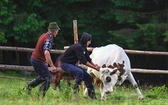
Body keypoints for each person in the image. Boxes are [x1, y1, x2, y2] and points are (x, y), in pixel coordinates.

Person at [24, 22, 60, 97]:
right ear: (53, 31)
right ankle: (40, 95)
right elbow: (46, 52)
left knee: (43, 76)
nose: (57, 33)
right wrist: (52, 66)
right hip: (37, 60)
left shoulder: (44, 35)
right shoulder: (48, 39)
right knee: (49, 78)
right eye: (57, 31)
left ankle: (28, 88)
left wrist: (45, 61)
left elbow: (41, 49)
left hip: (35, 59)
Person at [60, 32, 100, 99]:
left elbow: (88, 59)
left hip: (71, 64)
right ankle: (75, 90)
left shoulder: (84, 47)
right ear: (85, 40)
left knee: (88, 78)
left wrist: (94, 65)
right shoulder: (78, 47)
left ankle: (92, 96)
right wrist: (95, 68)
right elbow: (83, 61)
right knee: (79, 72)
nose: (90, 43)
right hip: (65, 64)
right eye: (89, 41)